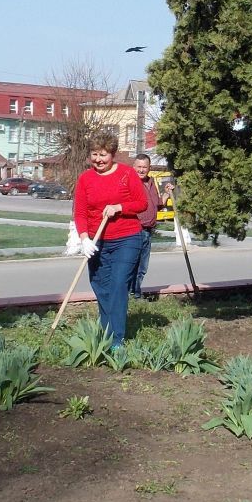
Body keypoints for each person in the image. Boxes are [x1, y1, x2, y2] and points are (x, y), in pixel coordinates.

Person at [72, 131, 147, 348]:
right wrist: (84, 238)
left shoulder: (126, 174)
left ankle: (117, 340)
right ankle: (107, 332)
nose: (98, 159)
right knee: (101, 287)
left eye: (103, 155)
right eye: (94, 154)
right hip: (97, 241)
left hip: (127, 239)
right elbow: (80, 213)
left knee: (117, 285)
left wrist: (119, 207)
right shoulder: (85, 178)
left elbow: (141, 203)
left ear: (112, 154)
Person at [128, 152, 161, 297]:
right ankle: (132, 294)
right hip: (135, 229)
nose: (141, 170)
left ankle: (136, 292)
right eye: (139, 167)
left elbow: (157, 204)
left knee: (143, 266)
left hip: (148, 230)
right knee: (133, 264)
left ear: (149, 168)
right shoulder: (130, 183)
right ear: (133, 167)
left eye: (144, 167)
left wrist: (166, 194)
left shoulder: (152, 183)